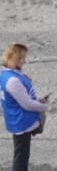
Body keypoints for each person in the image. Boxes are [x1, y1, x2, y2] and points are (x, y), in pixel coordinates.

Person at [1, 43, 48, 171]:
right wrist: (43, 106)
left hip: (17, 121)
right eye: (22, 58)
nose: (25, 60)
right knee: (21, 158)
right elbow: (26, 104)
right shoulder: (13, 81)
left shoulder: (6, 75)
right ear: (15, 59)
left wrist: (21, 74)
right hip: (21, 123)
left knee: (22, 155)